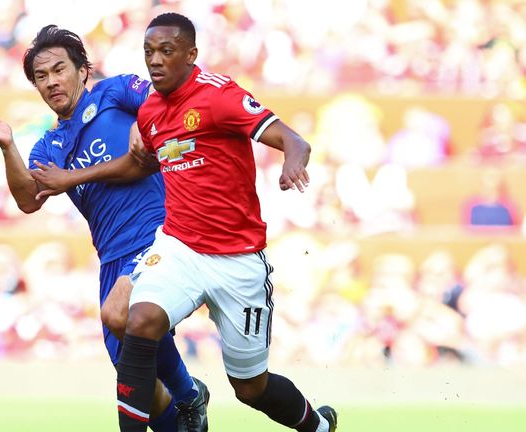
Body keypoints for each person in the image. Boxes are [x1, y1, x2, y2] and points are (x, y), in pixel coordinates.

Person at [31, 13, 337, 432]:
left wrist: (292, 163)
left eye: (166, 51)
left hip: (237, 259)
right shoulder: (151, 112)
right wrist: (139, 138)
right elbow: (136, 164)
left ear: (191, 54)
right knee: (127, 316)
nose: (155, 61)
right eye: (148, 52)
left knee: (251, 388)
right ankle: (185, 399)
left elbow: (293, 139)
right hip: (179, 247)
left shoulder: (218, 95)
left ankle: (317, 427)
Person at [0, 25, 207, 432]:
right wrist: (8, 146)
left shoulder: (115, 91)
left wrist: (141, 127)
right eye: (41, 77)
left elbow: (160, 108)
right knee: (136, 382)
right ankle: (186, 422)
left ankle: (189, 394)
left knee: (124, 317)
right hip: (111, 258)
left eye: (59, 70)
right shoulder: (49, 146)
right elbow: (28, 199)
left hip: (160, 234)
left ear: (82, 70)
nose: (51, 82)